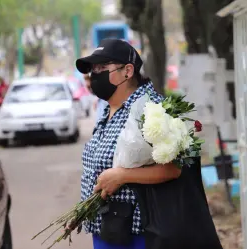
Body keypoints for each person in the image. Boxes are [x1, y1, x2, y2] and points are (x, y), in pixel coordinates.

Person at [75, 38, 182, 249]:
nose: (94, 74)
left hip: (138, 234)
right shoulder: (108, 110)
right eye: (92, 69)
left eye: (102, 67)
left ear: (128, 71)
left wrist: (123, 176)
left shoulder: (152, 109)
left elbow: (173, 169)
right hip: (107, 229)